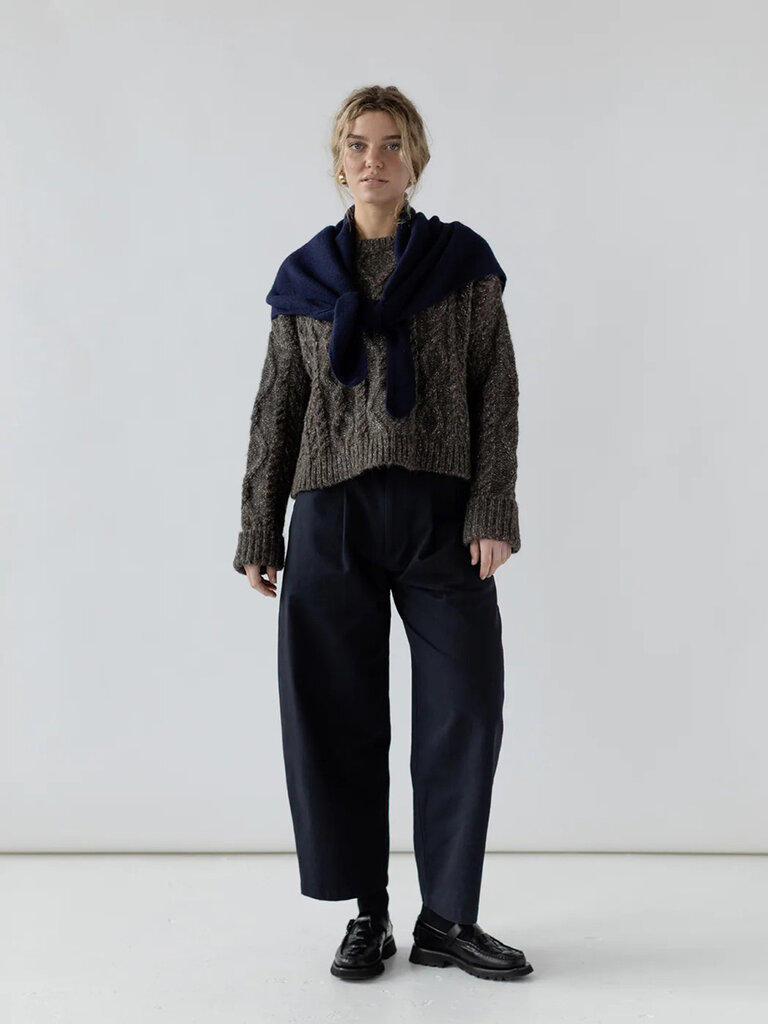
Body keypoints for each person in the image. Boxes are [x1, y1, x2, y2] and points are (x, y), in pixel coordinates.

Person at [233, 85, 533, 983]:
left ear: (415, 160)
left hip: (441, 515)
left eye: (392, 143)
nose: (375, 158)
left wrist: (492, 508)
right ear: (339, 162)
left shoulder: (462, 264)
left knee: (465, 707)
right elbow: (277, 408)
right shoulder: (304, 279)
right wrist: (260, 526)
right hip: (330, 516)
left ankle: (448, 918)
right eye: (359, 144)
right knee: (337, 714)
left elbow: (496, 389)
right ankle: (369, 912)